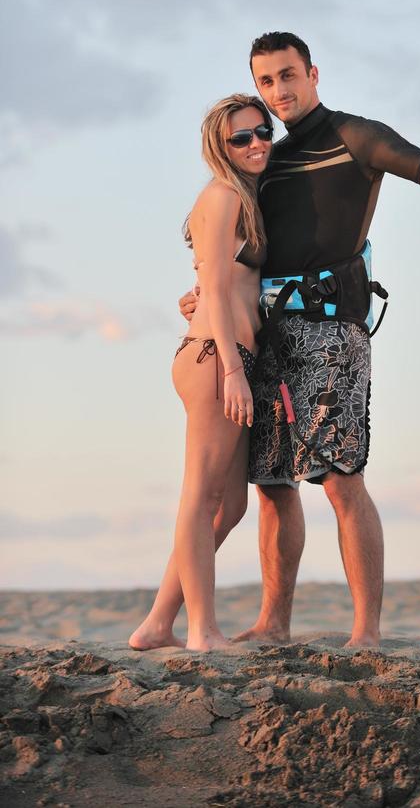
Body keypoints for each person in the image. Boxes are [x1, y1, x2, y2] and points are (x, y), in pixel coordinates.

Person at [179, 32, 420, 649]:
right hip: (268, 335)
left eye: (287, 76)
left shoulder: (355, 136)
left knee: (342, 477)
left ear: (313, 74)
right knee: (273, 485)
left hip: (332, 331)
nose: (278, 92)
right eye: (266, 82)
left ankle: (366, 630)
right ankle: (273, 623)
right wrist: (208, 295)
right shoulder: (267, 159)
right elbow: (241, 253)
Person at [129, 93, 272, 652]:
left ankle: (158, 622)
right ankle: (201, 631)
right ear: (221, 145)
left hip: (227, 358)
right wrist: (234, 370)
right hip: (217, 360)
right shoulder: (222, 194)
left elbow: (217, 283)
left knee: (230, 505)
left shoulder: (244, 198)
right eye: (243, 137)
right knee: (200, 498)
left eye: (263, 133)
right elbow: (214, 285)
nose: (257, 143)